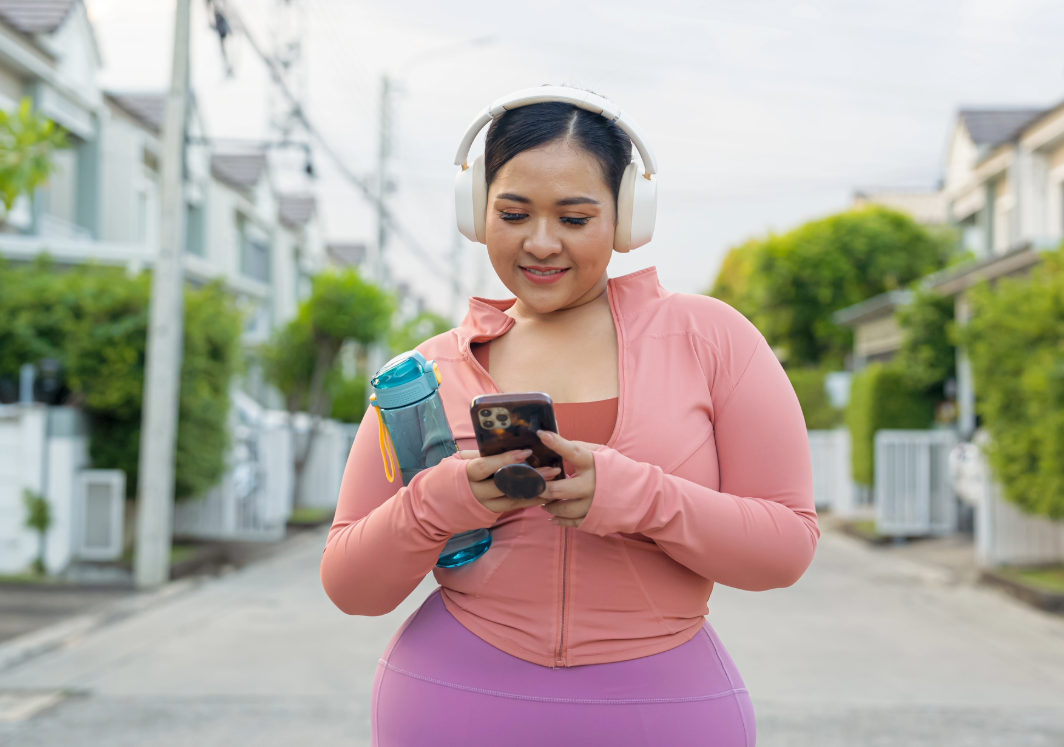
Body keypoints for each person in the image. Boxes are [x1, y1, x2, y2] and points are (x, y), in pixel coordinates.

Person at [322, 87, 818, 746]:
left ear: (627, 217)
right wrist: (441, 501)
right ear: (477, 211)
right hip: (451, 705)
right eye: (514, 212)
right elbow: (351, 584)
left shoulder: (711, 339)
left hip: (664, 713)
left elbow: (784, 548)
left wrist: (636, 497)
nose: (541, 242)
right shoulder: (423, 374)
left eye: (576, 218)